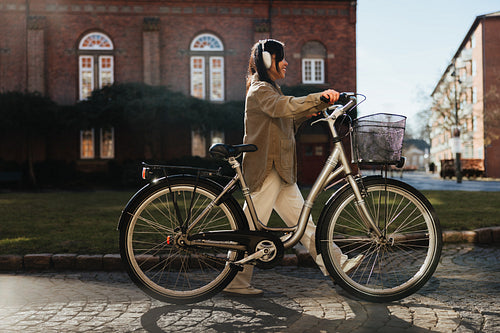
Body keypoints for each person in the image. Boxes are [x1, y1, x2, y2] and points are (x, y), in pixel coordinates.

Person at [223, 39, 362, 296]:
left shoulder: (271, 89)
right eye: (281, 58)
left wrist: (310, 110)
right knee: (249, 229)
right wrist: (317, 97)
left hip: (280, 171)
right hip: (266, 170)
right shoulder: (260, 90)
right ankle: (234, 282)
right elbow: (282, 108)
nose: (286, 62)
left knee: (304, 226)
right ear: (267, 62)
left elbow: (284, 120)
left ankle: (337, 265)